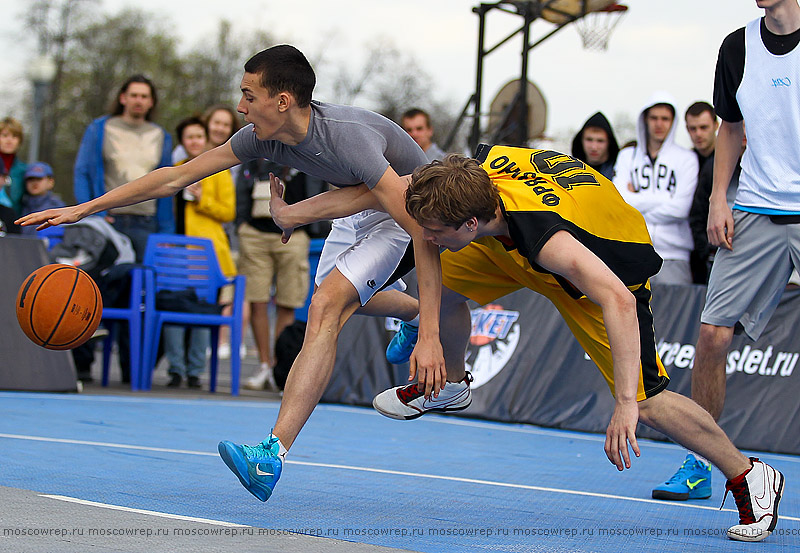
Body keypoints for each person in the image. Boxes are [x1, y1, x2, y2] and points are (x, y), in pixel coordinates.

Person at [17, 44, 444, 503]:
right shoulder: (260, 137)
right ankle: (412, 313)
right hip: (358, 201)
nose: (240, 106)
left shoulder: (349, 136)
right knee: (337, 298)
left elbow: (423, 232)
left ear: (282, 101)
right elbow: (172, 177)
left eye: (248, 95)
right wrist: (85, 208)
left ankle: (270, 455)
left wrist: (434, 337)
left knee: (324, 307)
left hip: (411, 206)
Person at [364, 148, 782, 543]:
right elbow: (396, 202)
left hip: (607, 277)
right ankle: (452, 385)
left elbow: (617, 300)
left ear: (470, 225)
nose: (427, 237)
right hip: (521, 241)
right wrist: (296, 214)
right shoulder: (474, 172)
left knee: (648, 401)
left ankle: (750, 476)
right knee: (441, 284)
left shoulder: (547, 239)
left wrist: (624, 403)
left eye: (436, 231)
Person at [652, 0, 800, 509]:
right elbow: (731, 129)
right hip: (755, 206)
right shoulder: (737, 46)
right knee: (711, 337)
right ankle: (701, 464)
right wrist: (719, 197)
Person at [164, 116, 236, 389]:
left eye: (198, 137)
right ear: (183, 142)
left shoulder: (219, 169)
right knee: (173, 308)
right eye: (189, 137)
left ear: (206, 139)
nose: (194, 142)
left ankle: (195, 370)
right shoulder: (175, 170)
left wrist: (201, 198)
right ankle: (175, 368)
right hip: (175, 252)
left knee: (201, 311)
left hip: (207, 253)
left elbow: (228, 211)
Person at [73, 74, 175, 261]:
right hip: (109, 219)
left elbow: (168, 181)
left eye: (144, 96)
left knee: (144, 283)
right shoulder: (100, 128)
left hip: (147, 222)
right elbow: (83, 173)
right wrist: (91, 215)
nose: (138, 100)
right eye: (134, 95)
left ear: (151, 102)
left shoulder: (161, 135)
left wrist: (166, 231)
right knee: (105, 283)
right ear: (123, 98)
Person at [237, 159, 316, 392]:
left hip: (296, 233)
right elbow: (242, 186)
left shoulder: (307, 145)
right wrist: (241, 223)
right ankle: (264, 364)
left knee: (287, 302)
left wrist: (313, 226)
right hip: (254, 232)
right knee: (257, 300)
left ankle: (280, 368)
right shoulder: (256, 146)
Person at [613, 93, 698, 285]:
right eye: (654, 118)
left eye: (665, 119)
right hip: (633, 251)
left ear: (673, 122)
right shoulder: (627, 156)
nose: (659, 124)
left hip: (674, 256)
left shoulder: (686, 159)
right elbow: (619, 202)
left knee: (673, 314)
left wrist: (637, 201)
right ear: (645, 119)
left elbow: (681, 209)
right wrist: (664, 198)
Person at [685, 101, 721, 283]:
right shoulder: (685, 161)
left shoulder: (729, 161)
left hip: (718, 248)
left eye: (703, 127)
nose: (698, 134)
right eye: (692, 129)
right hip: (691, 249)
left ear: (716, 125)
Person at [570, 111, 620, 180]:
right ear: (580, 140)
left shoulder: (622, 172)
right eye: (589, 140)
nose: (594, 147)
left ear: (609, 142)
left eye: (600, 141)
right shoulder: (569, 172)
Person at [19, 162, 65, 236]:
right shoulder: (20, 206)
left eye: (39, 179)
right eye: (31, 179)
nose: (35, 183)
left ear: (50, 182)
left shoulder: (58, 208)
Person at [0, 116, 27, 214]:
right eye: (5, 135)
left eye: (14, 136)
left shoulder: (25, 171)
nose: (9, 140)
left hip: (13, 224)